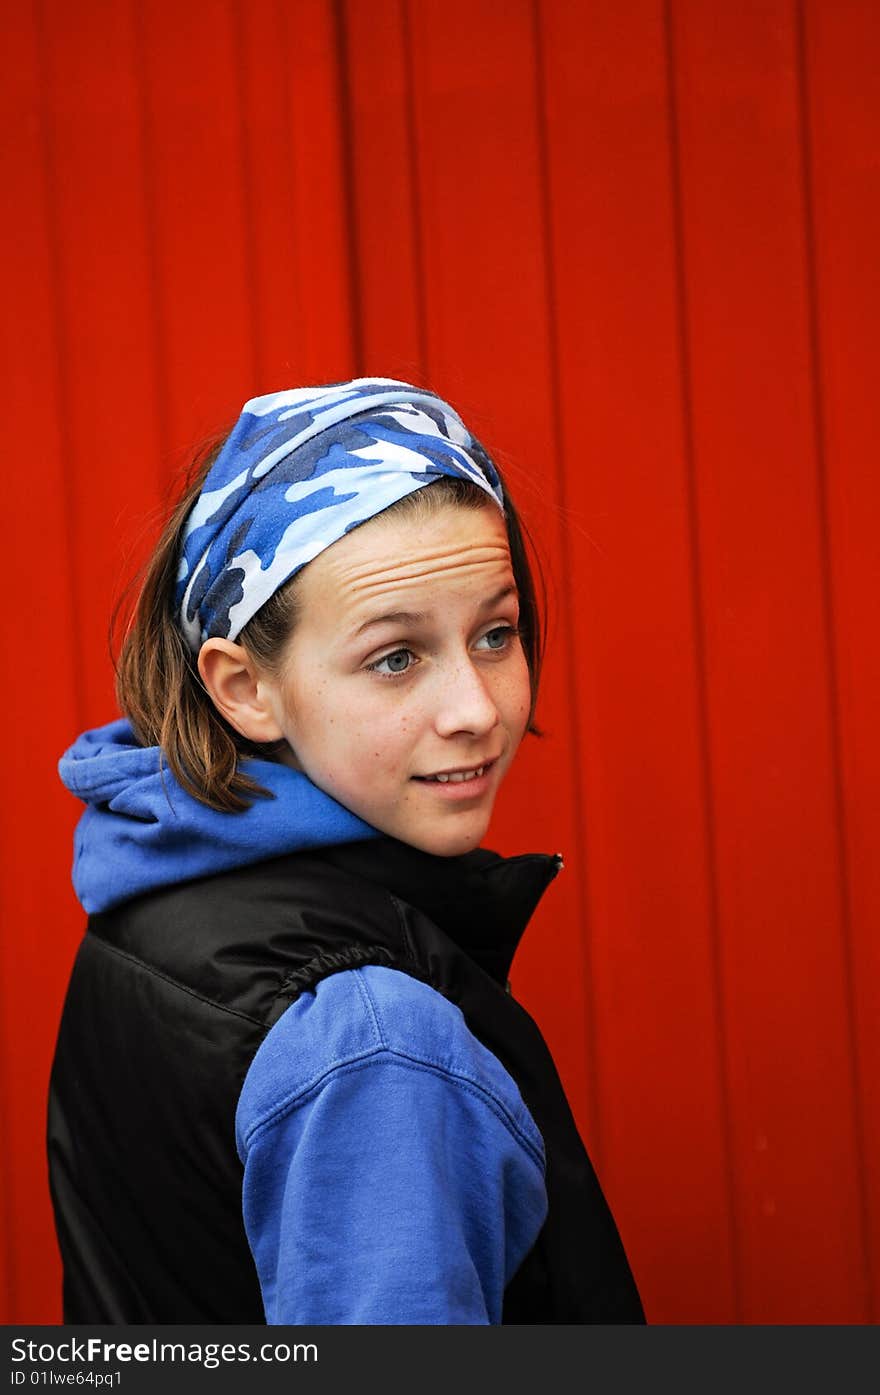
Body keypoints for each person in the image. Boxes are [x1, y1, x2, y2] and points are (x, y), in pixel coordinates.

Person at [48, 378, 645, 1325]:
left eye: (496, 634)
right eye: (396, 656)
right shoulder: (369, 1040)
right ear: (244, 687)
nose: (477, 709)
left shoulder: (152, 888)